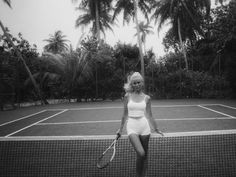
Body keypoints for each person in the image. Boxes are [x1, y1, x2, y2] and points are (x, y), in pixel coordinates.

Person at [117, 71, 164, 177]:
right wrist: (120, 130)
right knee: (141, 153)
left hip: (144, 127)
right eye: (134, 83)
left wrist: (156, 128)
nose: (137, 84)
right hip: (132, 126)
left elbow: (150, 115)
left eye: (139, 82)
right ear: (131, 84)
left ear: (142, 83)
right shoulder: (127, 96)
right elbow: (124, 114)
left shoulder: (147, 98)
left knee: (145, 155)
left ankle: (144, 175)